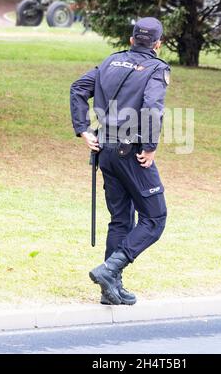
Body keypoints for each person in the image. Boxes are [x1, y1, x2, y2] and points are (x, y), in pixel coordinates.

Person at [70, 17, 170, 305]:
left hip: (106, 150)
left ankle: (110, 289)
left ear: (131, 40)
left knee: (120, 220)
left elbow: (78, 88)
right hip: (133, 151)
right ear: (158, 44)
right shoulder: (156, 68)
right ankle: (109, 269)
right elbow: (152, 107)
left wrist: (83, 129)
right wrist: (150, 147)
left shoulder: (110, 62)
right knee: (154, 218)